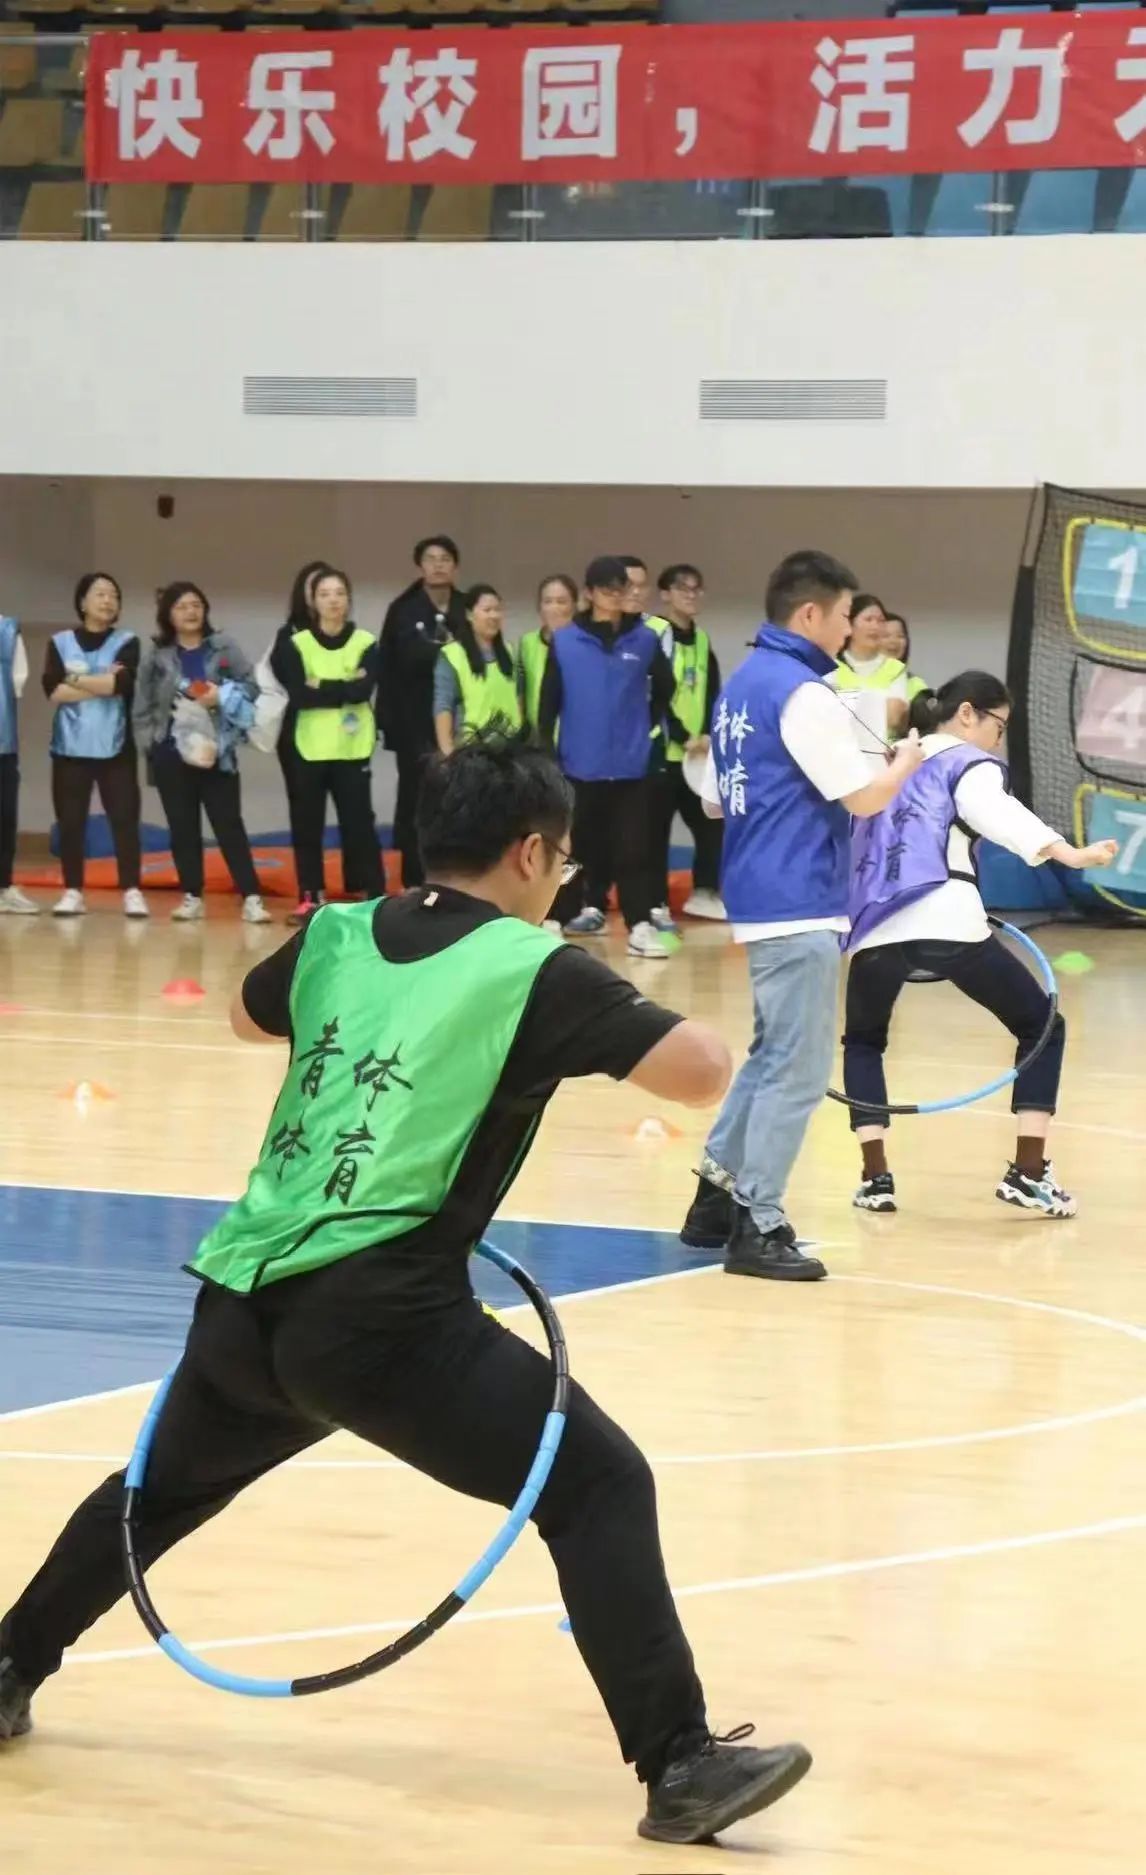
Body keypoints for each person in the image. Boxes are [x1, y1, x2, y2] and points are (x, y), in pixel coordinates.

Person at [0, 737, 813, 1849]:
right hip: (383, 1320)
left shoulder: (337, 932)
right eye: (565, 861)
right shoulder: (533, 966)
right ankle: (679, 1764)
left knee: (157, 1495)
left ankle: (11, 1662)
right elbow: (702, 1071)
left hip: (245, 1296)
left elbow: (246, 1015)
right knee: (597, 1481)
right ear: (530, 853)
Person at [679, 550, 923, 1279]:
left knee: (773, 1053)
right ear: (811, 613)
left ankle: (715, 1197)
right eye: (847, 615)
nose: (852, 629)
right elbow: (864, 797)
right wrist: (905, 763)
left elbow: (715, 800)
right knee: (800, 1067)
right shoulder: (803, 692)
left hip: (757, 889)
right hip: (798, 895)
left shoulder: (741, 684)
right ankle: (759, 1222)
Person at [842, 673, 1117, 1219]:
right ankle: (1029, 1173)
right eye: (999, 726)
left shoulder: (881, 765)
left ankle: (875, 1180)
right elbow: (999, 813)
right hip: (946, 917)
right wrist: (1070, 854)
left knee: (864, 1042)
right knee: (1042, 1026)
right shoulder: (967, 762)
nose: (997, 740)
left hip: (872, 927)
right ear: (967, 714)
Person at [538, 556, 685, 960]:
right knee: (570, 852)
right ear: (589, 594)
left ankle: (639, 925)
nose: (616, 596)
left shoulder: (644, 640)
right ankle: (555, 918)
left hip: (630, 768)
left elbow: (666, 688)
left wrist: (643, 724)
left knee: (634, 849)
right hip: (577, 766)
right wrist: (548, 757)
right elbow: (548, 706)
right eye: (607, 590)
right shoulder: (565, 641)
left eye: (622, 589)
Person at [134, 582, 271, 925]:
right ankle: (192, 895)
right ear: (168, 615)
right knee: (182, 827)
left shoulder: (224, 647)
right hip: (171, 755)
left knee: (228, 825)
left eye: (196, 604)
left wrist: (220, 695)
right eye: (181, 606)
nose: (191, 612)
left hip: (217, 752)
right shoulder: (157, 656)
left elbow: (252, 687)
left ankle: (251, 897)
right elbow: (141, 706)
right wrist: (152, 743)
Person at [277, 568, 384, 923]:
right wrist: (344, 685)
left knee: (360, 824)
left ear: (349, 599)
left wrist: (321, 684)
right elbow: (300, 695)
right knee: (307, 825)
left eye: (339, 593)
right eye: (325, 594)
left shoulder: (366, 642)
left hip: (353, 749)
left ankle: (375, 895)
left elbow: (362, 691)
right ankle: (310, 896)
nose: (333, 600)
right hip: (310, 748)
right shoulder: (298, 644)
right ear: (313, 601)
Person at [43, 572, 148, 920]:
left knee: (125, 819)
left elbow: (122, 685)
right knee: (71, 821)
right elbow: (53, 691)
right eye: (100, 594)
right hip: (69, 749)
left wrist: (73, 678)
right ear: (82, 602)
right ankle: (72, 890)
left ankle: (132, 890)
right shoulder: (60, 642)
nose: (108, 601)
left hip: (116, 748)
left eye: (113, 595)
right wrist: (101, 681)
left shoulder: (127, 641)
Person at [378, 535, 467, 888]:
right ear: (420, 565)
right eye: (431, 558)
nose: (438, 565)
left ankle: (460, 878)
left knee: (460, 798)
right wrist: (387, 722)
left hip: (460, 720)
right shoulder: (402, 609)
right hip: (412, 721)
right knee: (415, 799)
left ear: (455, 565)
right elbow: (388, 667)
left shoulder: (468, 606)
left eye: (445, 558)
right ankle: (414, 879)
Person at [647, 564, 725, 923]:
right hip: (662, 751)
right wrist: (681, 734)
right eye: (682, 588)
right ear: (665, 594)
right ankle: (655, 903)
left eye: (696, 588)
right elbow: (653, 693)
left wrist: (708, 732)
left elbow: (712, 692)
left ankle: (705, 892)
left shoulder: (703, 640)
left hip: (698, 757)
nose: (691, 595)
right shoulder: (653, 634)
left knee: (711, 824)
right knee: (654, 831)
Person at [269, 561, 331, 891]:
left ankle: (362, 885)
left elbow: (359, 684)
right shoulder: (289, 635)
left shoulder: (349, 636)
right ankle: (310, 889)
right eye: (316, 588)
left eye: (332, 589)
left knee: (355, 815)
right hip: (297, 736)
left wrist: (322, 683)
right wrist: (329, 685)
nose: (326, 596)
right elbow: (298, 688)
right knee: (306, 814)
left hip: (341, 738)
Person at [434, 584, 522, 755]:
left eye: (497, 610)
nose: (494, 615)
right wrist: (447, 752)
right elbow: (443, 706)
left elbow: (518, 696)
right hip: (471, 751)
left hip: (511, 750)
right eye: (487, 610)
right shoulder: (452, 654)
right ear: (469, 614)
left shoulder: (510, 651)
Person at [828, 593, 909, 742]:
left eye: (881, 621)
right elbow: (827, 715)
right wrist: (879, 708)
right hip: (839, 746)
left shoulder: (895, 668)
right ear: (850, 625)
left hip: (882, 750)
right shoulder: (830, 665)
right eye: (868, 619)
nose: (875, 626)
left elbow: (893, 717)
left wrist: (849, 708)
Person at [0, 608, 38, 915]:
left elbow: (17, 682)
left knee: (3, 816)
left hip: (2, 741)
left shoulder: (7, 630)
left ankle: (3, 887)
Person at [520, 574, 577, 736]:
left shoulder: (586, 644)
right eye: (548, 601)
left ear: (574, 606)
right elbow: (522, 692)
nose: (554, 608)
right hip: (538, 738)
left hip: (574, 737)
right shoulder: (527, 642)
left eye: (561, 601)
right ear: (539, 607)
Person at [881, 610, 929, 705]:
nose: (894, 641)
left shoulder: (916, 684)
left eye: (900, 636)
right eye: (886, 636)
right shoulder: (856, 680)